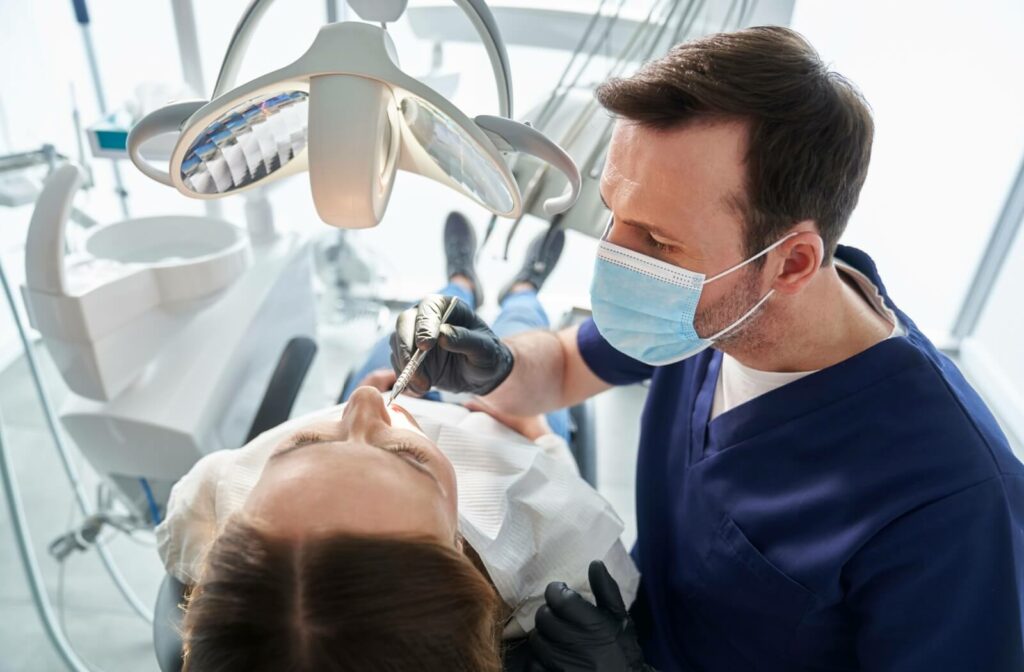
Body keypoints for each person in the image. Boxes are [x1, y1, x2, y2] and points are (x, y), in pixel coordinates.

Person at [390, 27, 1024, 672]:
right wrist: (496, 367)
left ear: (791, 262)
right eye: (613, 213)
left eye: (659, 241)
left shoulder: (955, 506)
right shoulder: (705, 309)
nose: (615, 256)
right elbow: (563, 368)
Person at [155, 214, 639, 672]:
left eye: (300, 443)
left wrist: (372, 434)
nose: (366, 400)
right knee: (519, 328)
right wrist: (535, 430)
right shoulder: (557, 553)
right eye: (408, 457)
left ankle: (461, 278)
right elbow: (559, 495)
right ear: (457, 546)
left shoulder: (210, 506)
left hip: (424, 402)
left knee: (429, 325)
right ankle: (525, 287)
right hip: (506, 431)